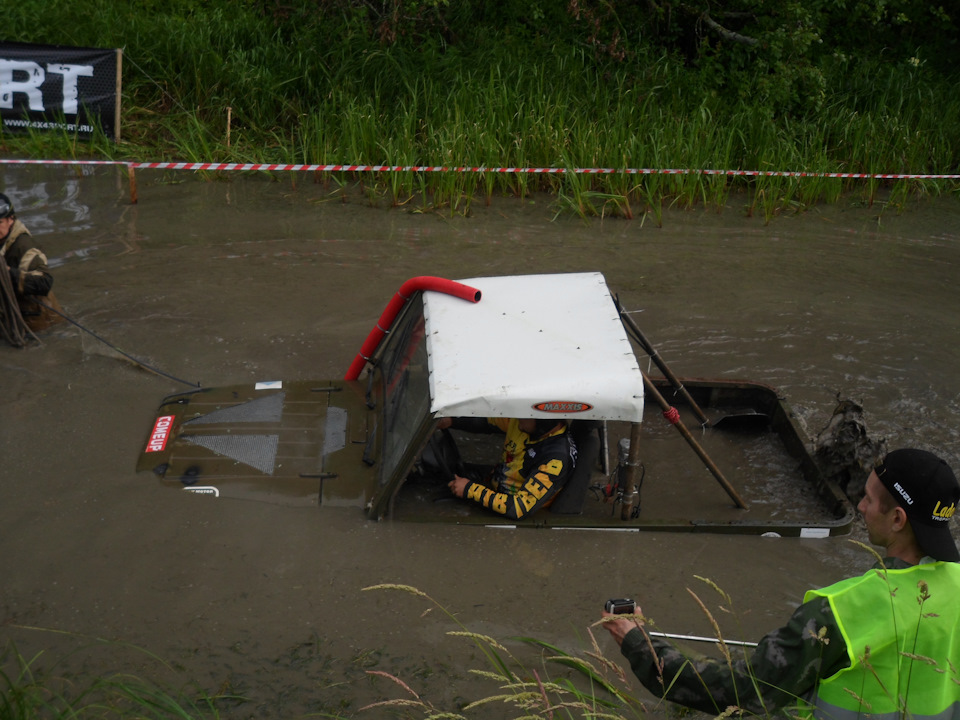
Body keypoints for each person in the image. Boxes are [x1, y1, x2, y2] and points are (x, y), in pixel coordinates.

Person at [601, 448, 960, 719]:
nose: (861, 507)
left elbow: (746, 688)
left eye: (868, 498)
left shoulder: (846, 608)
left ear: (897, 519)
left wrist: (639, 645)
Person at [439, 416, 577, 520]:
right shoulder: (523, 422)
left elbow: (519, 509)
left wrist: (470, 489)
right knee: (439, 472)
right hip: (497, 480)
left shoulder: (555, 460)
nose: (517, 416)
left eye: (524, 413)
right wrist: (452, 421)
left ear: (544, 421)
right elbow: (488, 421)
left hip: (509, 507)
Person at [0, 191, 63, 340]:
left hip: (39, 323)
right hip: (11, 316)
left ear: (11, 220)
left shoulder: (25, 246)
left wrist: (8, 273)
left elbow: (44, 282)